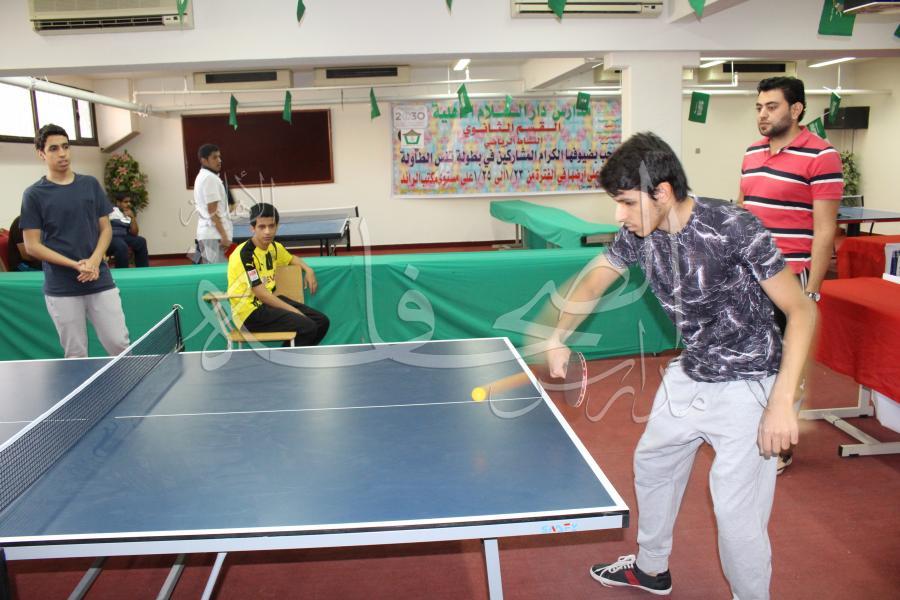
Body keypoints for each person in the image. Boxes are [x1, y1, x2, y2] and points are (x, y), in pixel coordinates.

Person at [546, 133, 816, 599]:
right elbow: (594, 280)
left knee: (735, 513)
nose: (619, 215)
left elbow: (802, 310)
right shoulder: (639, 235)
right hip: (692, 371)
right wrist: (558, 335)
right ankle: (651, 568)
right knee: (653, 464)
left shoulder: (734, 227)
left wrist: (782, 401)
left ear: (663, 192)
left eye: (627, 203)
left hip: (751, 383)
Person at [737, 76, 843, 472]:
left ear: (796, 109)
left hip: (788, 276)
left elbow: (825, 230)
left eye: (772, 107)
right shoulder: (751, 152)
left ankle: (780, 446)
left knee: (786, 362)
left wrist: (811, 292)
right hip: (747, 276)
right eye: (759, 108)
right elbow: (743, 210)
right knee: (748, 357)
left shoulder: (822, 156)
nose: (763, 115)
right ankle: (749, 431)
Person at [20, 124, 130, 358]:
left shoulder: (90, 184)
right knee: (76, 355)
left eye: (65, 147)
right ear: (41, 154)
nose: (62, 153)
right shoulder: (33, 194)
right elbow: (32, 246)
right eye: (54, 149)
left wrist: (94, 260)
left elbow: (106, 229)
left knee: (119, 345)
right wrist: (76, 265)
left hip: (99, 279)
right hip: (61, 286)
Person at [226, 203, 329, 346]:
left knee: (321, 322)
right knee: (307, 326)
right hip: (249, 313)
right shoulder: (244, 254)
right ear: (253, 228)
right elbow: (261, 294)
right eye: (262, 227)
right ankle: (284, 357)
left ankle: (287, 355)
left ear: (277, 226)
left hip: (267, 304)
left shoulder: (274, 247)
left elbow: (291, 258)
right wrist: (295, 312)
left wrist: (308, 270)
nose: (267, 231)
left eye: (271, 226)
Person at [193, 143, 233, 263]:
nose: (219, 160)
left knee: (212, 270)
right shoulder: (209, 178)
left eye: (219, 157)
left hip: (210, 235)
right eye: (214, 157)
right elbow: (212, 211)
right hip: (214, 236)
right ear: (204, 160)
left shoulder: (204, 176)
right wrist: (224, 236)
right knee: (220, 272)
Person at [108, 193, 150, 268]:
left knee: (141, 241)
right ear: (118, 203)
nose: (128, 204)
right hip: (112, 236)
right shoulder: (111, 211)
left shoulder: (128, 213)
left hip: (125, 236)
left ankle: (143, 269)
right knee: (122, 245)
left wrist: (132, 217)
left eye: (129, 202)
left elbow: (135, 233)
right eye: (125, 202)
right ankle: (123, 272)